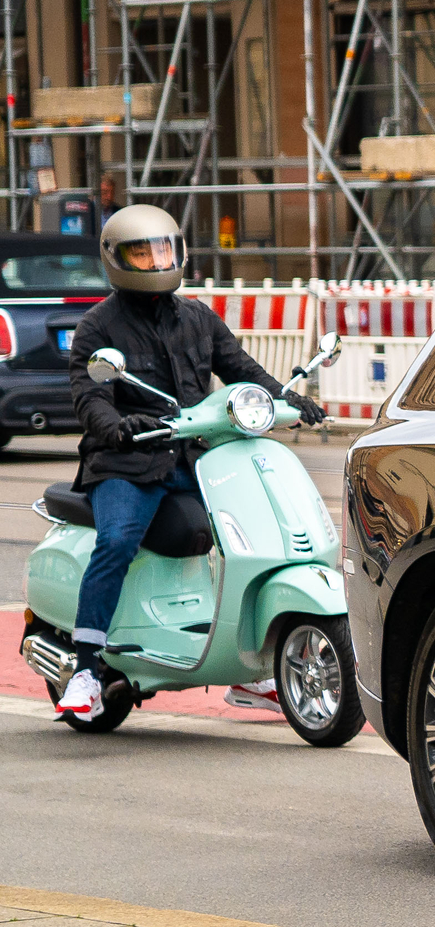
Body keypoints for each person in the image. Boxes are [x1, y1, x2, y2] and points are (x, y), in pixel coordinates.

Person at [55, 205, 322, 723]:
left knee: (252, 533)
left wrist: (286, 398)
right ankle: (86, 670)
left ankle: (251, 668)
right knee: (117, 540)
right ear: (116, 258)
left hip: (196, 459)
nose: (156, 262)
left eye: (163, 251)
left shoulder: (198, 318)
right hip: (126, 463)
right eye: (142, 253)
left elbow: (241, 368)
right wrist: (117, 426)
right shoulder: (97, 327)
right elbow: (89, 397)